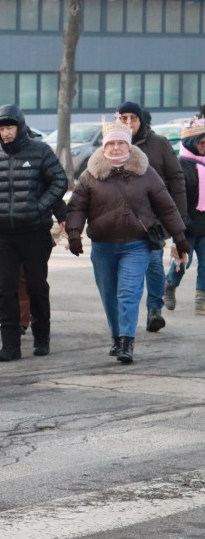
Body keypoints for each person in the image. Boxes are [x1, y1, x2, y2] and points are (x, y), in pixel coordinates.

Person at [66, 117, 188, 363]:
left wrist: (180, 236)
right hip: (102, 247)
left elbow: (166, 207)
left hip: (137, 245)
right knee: (109, 294)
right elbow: (77, 206)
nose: (116, 148)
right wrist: (74, 233)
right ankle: (116, 336)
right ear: (104, 146)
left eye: (121, 143)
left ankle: (126, 342)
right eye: (111, 144)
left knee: (129, 292)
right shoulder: (91, 175)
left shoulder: (146, 172)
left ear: (129, 145)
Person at [0, 104, 67, 362]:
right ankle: (10, 344)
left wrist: (38, 206)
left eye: (10, 127)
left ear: (20, 126)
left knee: (37, 286)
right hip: (3, 234)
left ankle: (42, 335)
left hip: (35, 232)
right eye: (2, 128)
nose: (6, 133)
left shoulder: (40, 151)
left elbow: (59, 181)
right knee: (5, 289)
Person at [116, 101, 188, 333]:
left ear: (141, 121)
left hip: (153, 218)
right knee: (122, 270)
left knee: (154, 264)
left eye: (133, 118)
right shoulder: (113, 143)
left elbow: (176, 178)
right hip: (120, 218)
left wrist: (179, 215)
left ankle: (154, 310)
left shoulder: (159, 144)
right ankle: (124, 316)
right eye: (123, 118)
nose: (128, 123)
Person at [164, 119, 205, 315]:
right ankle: (170, 284)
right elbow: (176, 196)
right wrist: (181, 218)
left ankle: (201, 299)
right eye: (201, 143)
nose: (204, 147)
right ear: (191, 142)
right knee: (183, 261)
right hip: (186, 225)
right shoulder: (181, 165)